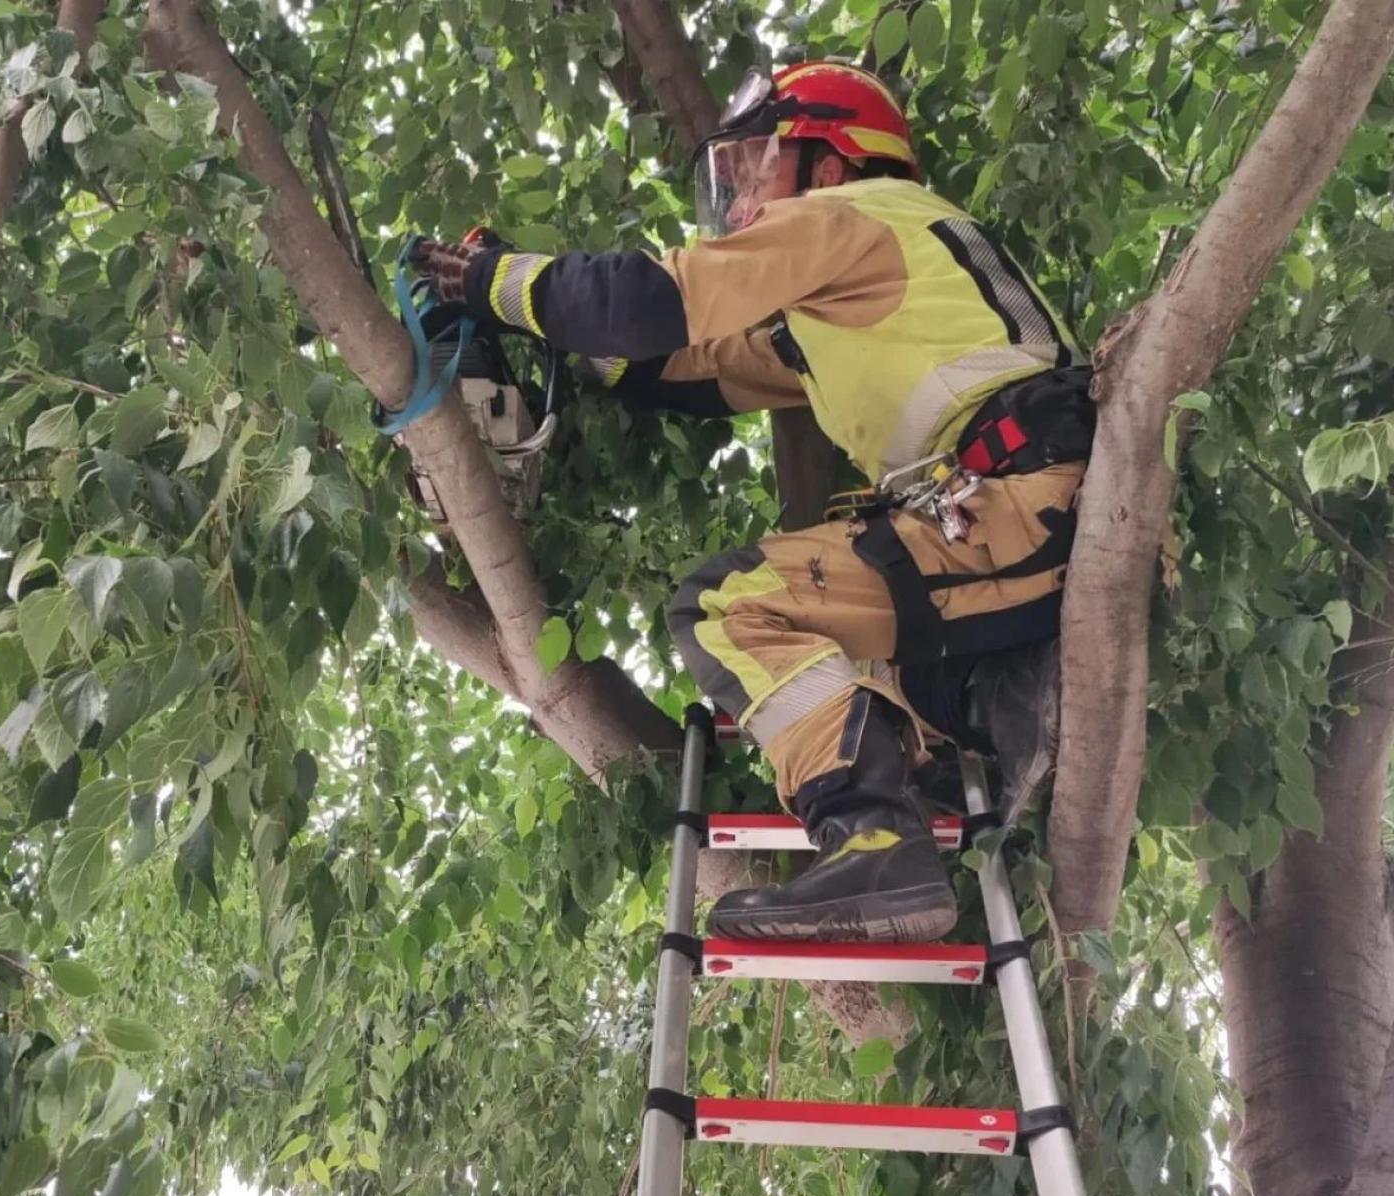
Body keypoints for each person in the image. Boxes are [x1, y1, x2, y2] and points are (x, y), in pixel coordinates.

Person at [410, 59, 1096, 943]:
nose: (736, 210)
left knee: (724, 609)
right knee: (883, 660)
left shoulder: (847, 219)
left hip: (1010, 501)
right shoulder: (858, 290)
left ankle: (877, 839)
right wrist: (537, 319)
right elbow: (677, 366)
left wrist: (494, 279)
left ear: (832, 162)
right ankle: (982, 713)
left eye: (753, 171)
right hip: (1026, 522)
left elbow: (646, 303)